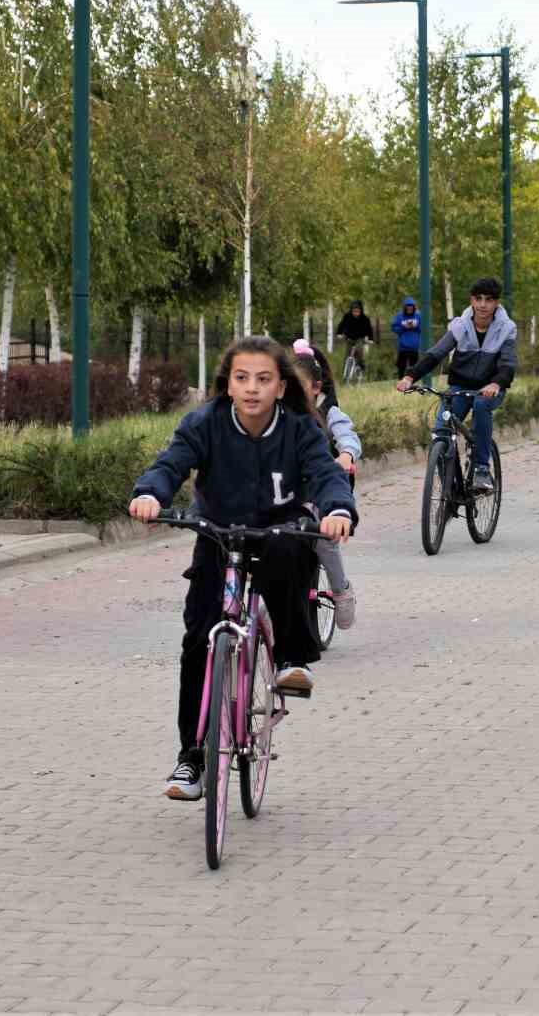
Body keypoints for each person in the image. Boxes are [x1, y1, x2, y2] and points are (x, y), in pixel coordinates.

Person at [129, 336, 355, 801]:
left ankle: (292, 658)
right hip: (216, 534)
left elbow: (326, 474)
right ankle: (192, 756)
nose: (252, 388)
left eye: (264, 379)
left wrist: (338, 510)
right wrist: (152, 494)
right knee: (197, 639)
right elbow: (171, 463)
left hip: (278, 531)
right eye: (241, 378)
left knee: (288, 555)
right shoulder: (205, 423)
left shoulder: (298, 428)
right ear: (227, 385)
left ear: (280, 387)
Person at [395, 277, 517, 495]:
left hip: (490, 388)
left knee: (481, 405)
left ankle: (481, 468)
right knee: (441, 430)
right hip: (460, 386)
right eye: (478, 299)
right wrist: (410, 377)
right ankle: (449, 487)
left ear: (496, 303)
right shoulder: (461, 325)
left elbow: (508, 364)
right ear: (471, 300)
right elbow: (436, 353)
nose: (482, 305)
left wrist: (496, 383)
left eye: (488, 300)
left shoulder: (506, 328)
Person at [293, 341, 359, 630]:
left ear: (316, 388)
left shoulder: (329, 412)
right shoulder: (276, 416)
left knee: (325, 539)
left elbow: (348, 436)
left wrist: (345, 455)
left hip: (323, 488)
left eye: (300, 386)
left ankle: (341, 589)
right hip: (287, 491)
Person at [336, 300, 376, 372]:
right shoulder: (347, 316)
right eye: (354, 311)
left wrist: (370, 339)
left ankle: (361, 366)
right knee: (347, 355)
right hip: (349, 337)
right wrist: (339, 334)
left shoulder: (365, 319)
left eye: (357, 311)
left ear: (360, 311)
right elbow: (341, 325)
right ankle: (346, 373)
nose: (356, 313)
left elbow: (369, 329)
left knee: (359, 349)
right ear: (351, 311)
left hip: (360, 338)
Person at [390, 297, 422, 375]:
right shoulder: (399, 316)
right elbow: (394, 328)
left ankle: (412, 380)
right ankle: (400, 379)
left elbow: (423, 328)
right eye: (408, 307)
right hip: (403, 347)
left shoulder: (418, 316)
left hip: (414, 347)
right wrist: (404, 327)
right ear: (405, 307)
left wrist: (415, 326)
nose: (409, 309)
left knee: (414, 367)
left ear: (414, 308)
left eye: (411, 307)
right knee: (401, 366)